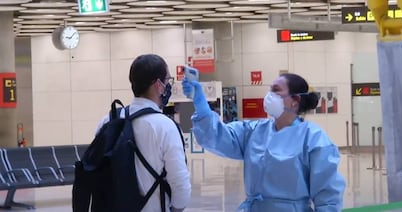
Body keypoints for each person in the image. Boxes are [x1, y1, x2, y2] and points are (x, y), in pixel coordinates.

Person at [182, 71, 345, 211]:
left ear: (295, 100)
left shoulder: (313, 139)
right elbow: (217, 136)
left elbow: (327, 196)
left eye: (276, 90)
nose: (269, 95)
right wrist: (201, 106)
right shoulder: (254, 130)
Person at [96, 54, 191, 212]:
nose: (169, 85)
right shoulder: (165, 127)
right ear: (158, 85)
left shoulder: (108, 121)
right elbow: (180, 183)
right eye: (168, 80)